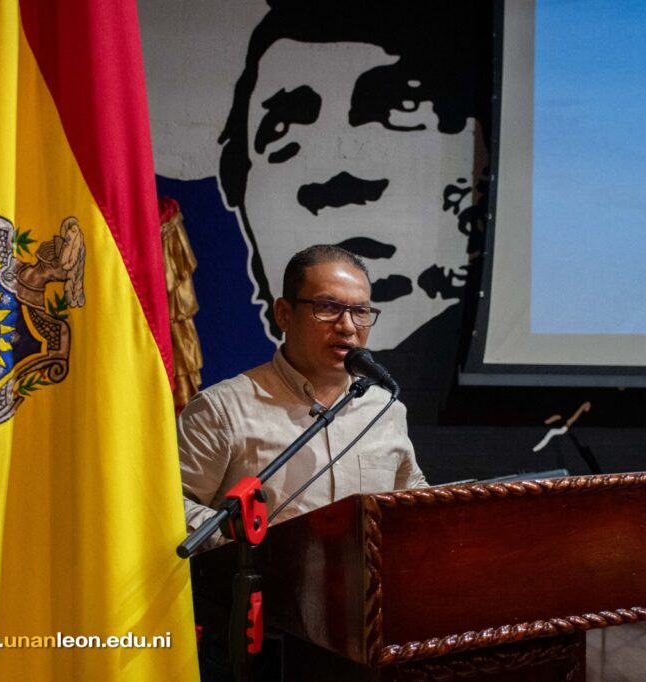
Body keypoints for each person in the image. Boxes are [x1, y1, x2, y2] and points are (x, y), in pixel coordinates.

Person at [217, 0, 491, 353]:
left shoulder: (387, 408)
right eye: (282, 128)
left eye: (398, 108)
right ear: (236, 185)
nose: (334, 178)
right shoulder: (225, 407)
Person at [179, 244, 426, 550]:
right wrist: (253, 550)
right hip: (260, 593)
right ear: (284, 314)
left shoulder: (385, 410)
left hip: (365, 594)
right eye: (328, 307)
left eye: (360, 311)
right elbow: (174, 505)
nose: (348, 326)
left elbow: (414, 504)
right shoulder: (221, 410)